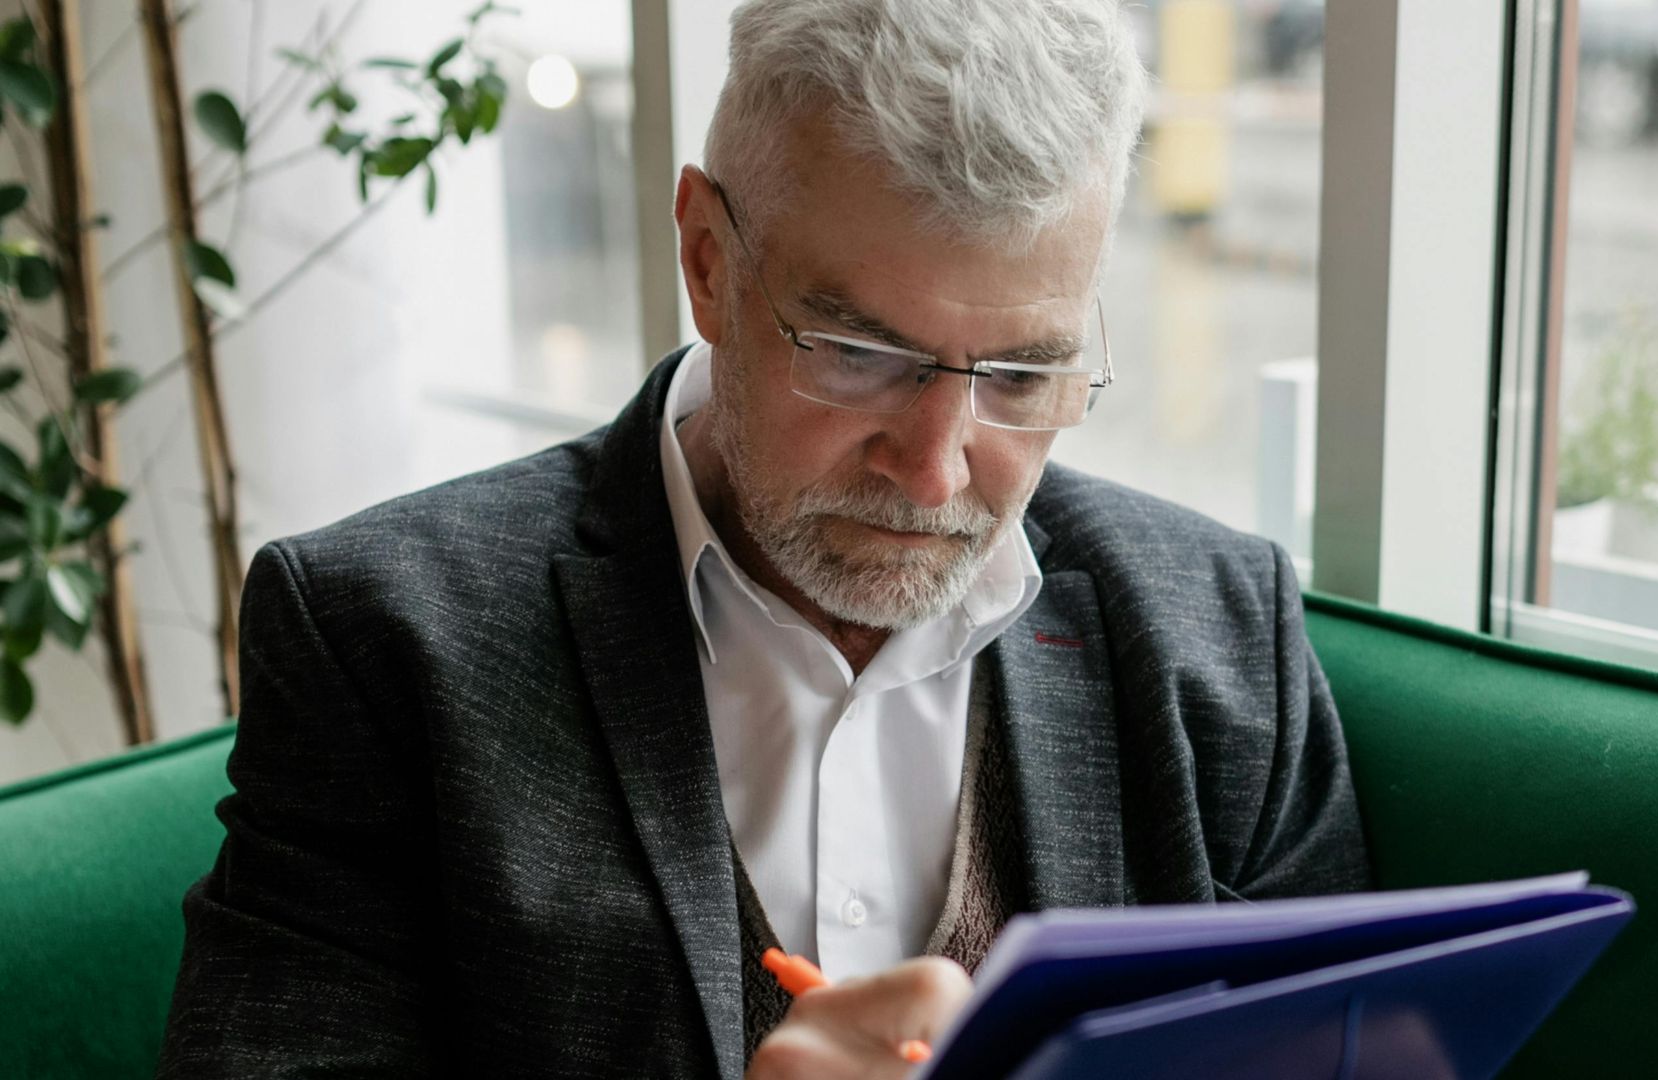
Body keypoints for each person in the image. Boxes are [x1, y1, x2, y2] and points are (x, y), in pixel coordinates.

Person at [156, 1, 1370, 1077]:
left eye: (1019, 374)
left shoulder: (1222, 629)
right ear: (706, 260)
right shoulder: (379, 639)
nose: (939, 469)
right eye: (858, 355)